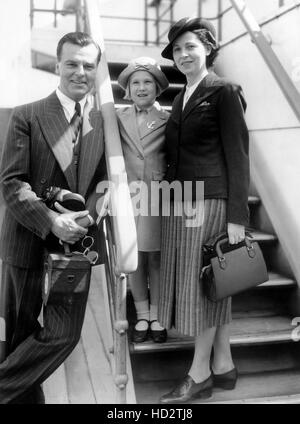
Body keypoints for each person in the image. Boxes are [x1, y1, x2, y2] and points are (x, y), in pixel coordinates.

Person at [0, 31, 106, 404]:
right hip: (26, 237)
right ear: (57, 65)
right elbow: (12, 182)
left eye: (88, 65)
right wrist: (49, 220)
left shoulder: (103, 121)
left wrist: (87, 217)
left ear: (96, 69)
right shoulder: (26, 115)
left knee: (63, 333)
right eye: (72, 63)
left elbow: (105, 182)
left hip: (74, 244)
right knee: (20, 332)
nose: (80, 72)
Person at [157, 18, 249, 403]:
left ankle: (199, 374)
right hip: (183, 200)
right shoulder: (180, 96)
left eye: (190, 46)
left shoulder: (224, 91)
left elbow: (239, 155)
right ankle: (224, 364)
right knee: (215, 282)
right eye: (177, 50)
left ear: (208, 47)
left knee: (204, 287)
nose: (183, 55)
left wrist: (238, 217)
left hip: (211, 200)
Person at [117, 57, 169, 343]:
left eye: (147, 81)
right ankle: (142, 314)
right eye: (135, 82)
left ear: (158, 87)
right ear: (127, 88)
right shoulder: (117, 117)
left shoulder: (169, 118)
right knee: (133, 256)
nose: (140, 87)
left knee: (156, 257)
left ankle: (158, 315)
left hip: (158, 194)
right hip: (127, 195)